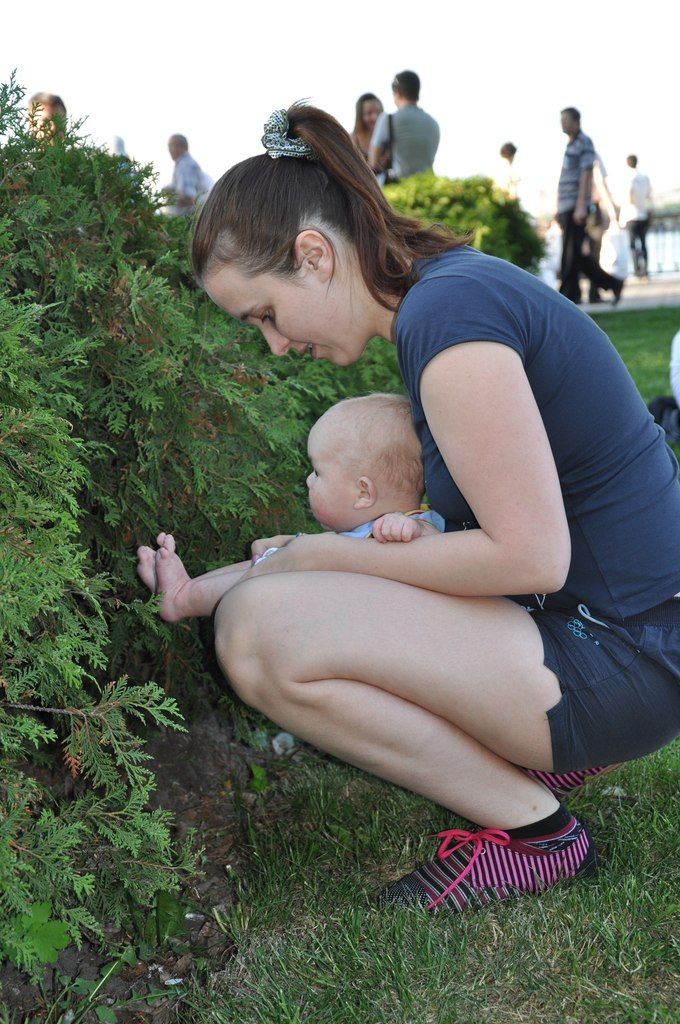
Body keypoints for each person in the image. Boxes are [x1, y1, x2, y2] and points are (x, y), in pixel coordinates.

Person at [187, 103, 680, 914]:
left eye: (266, 316)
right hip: (621, 638)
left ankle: (537, 834)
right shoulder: (448, 295)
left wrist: (324, 556)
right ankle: (529, 772)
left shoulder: (445, 319)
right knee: (283, 600)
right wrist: (344, 560)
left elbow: (529, 559)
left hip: (628, 659)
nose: (274, 345)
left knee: (256, 632)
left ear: (314, 256)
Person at [137, 394, 444, 621]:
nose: (309, 481)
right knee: (268, 560)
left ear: (363, 493)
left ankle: (183, 599)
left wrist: (410, 529)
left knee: (274, 568)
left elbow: (437, 554)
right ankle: (186, 586)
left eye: (319, 473)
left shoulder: (415, 523)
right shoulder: (358, 534)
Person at [556, 108, 624, 305]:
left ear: (576, 121)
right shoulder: (571, 145)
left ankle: (567, 295)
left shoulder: (584, 143)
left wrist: (580, 206)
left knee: (571, 253)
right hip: (567, 206)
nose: (563, 123)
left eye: (566, 120)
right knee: (576, 254)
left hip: (575, 207)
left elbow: (586, 175)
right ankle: (610, 284)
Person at [368, 71, 439, 181]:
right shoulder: (433, 123)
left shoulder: (387, 119)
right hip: (427, 186)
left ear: (398, 93)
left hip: (399, 187)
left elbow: (373, 162)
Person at [163, 134, 211, 216]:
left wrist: (168, 199)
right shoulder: (184, 164)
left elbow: (188, 198)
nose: (169, 150)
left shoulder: (185, 165)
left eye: (172, 146)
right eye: (169, 146)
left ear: (183, 147)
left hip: (191, 218)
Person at [620, 155, 653, 277]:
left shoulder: (629, 178)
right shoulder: (645, 178)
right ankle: (646, 269)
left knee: (633, 245)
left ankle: (637, 270)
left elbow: (629, 196)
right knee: (644, 243)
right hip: (643, 215)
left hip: (631, 216)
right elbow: (649, 196)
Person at [351, 93, 384, 166]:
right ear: (360, 116)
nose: (375, 117)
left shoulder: (389, 136)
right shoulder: (352, 140)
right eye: (369, 113)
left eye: (378, 112)